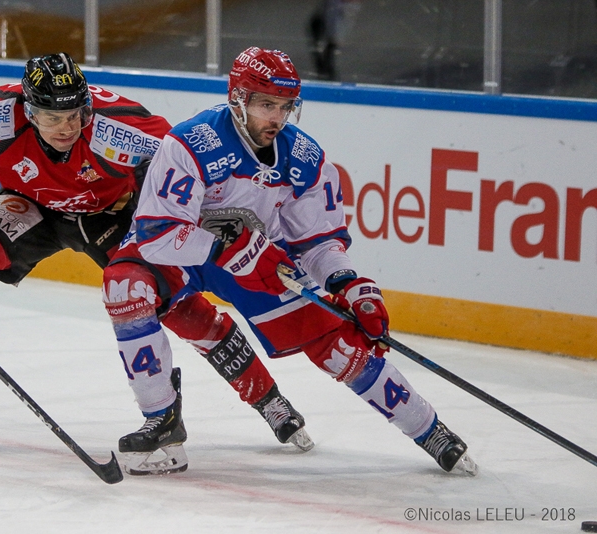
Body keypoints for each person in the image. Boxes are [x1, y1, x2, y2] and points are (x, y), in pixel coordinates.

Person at [0, 52, 311, 453]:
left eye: (74, 115)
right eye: (52, 117)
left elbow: (183, 163)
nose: (67, 127)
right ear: (27, 111)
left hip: (114, 214)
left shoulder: (119, 127)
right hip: (33, 206)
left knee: (178, 304)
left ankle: (267, 398)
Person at [102, 46, 478, 476]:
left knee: (338, 345)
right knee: (125, 286)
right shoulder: (189, 143)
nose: (276, 118)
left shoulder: (303, 157)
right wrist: (224, 248)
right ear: (237, 98)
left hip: (261, 259)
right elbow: (158, 235)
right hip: (184, 253)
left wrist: (348, 284)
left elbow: (317, 241)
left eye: (285, 107)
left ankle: (429, 429)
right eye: (265, 104)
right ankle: (161, 419)